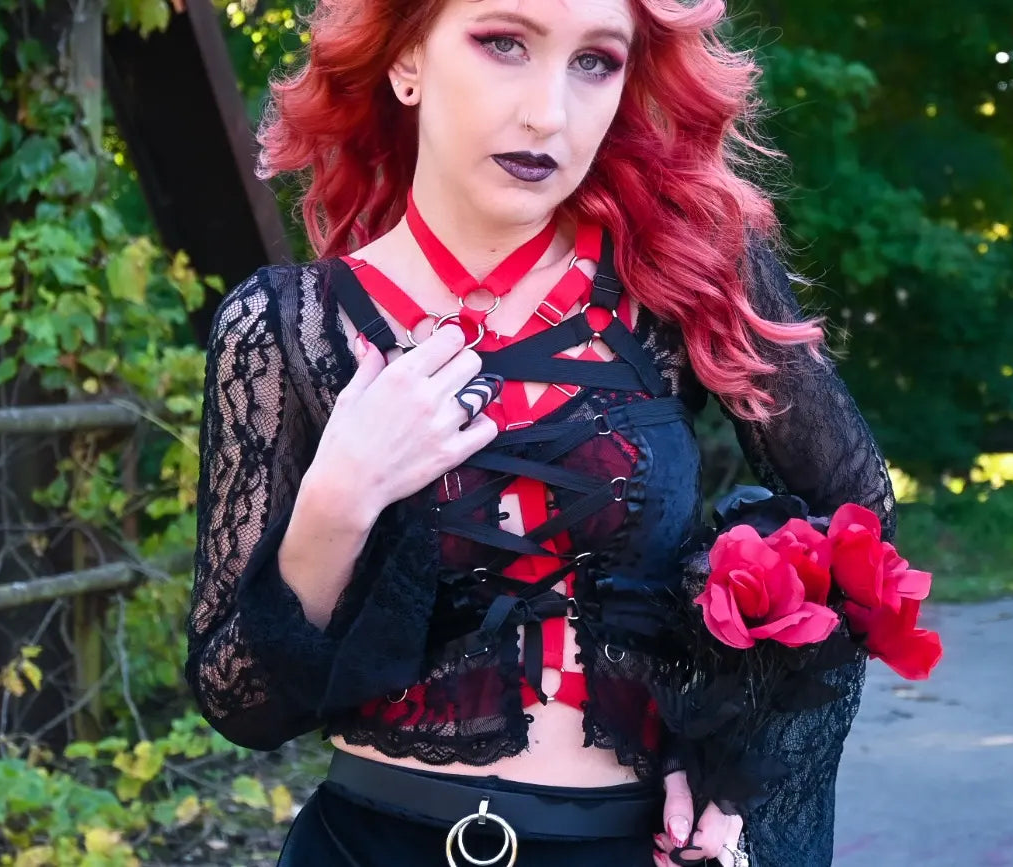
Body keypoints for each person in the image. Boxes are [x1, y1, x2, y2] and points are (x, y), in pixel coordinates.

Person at [185, 0, 896, 865]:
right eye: (503, 43)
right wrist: (336, 501)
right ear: (407, 60)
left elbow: (857, 528)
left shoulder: (685, 276)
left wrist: (719, 739)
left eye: (595, 61)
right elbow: (242, 704)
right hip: (367, 844)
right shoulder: (286, 325)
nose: (548, 113)